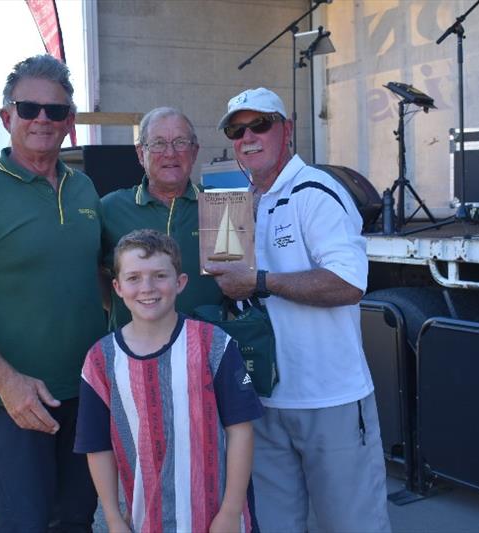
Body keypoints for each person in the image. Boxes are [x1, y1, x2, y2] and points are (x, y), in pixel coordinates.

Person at [0, 54, 108, 532]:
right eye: (29, 108)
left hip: (89, 392)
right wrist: (7, 382)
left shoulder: (85, 189)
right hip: (16, 400)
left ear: (70, 122)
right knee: (24, 523)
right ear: (7, 117)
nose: (42, 120)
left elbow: (102, 280)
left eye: (55, 111)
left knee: (76, 520)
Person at [206, 87, 391, 532]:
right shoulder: (236, 199)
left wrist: (261, 281)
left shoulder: (316, 191)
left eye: (260, 125)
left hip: (330, 399)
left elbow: (350, 284)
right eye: (237, 129)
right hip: (264, 399)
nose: (248, 137)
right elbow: (232, 290)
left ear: (285, 129)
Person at [74, 229, 262, 532]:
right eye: (133, 278)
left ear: (180, 282)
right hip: (146, 521)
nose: (147, 287)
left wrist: (230, 512)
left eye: (159, 275)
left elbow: (241, 431)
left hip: (217, 520)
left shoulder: (213, 345)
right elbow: (97, 446)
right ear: (117, 287)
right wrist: (112, 516)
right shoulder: (101, 360)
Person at [101, 107, 224, 329]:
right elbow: (96, 277)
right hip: (133, 354)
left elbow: (239, 283)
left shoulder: (221, 206)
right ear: (140, 153)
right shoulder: (110, 209)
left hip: (207, 350)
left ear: (194, 152)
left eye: (180, 142)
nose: (170, 153)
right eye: (158, 143)